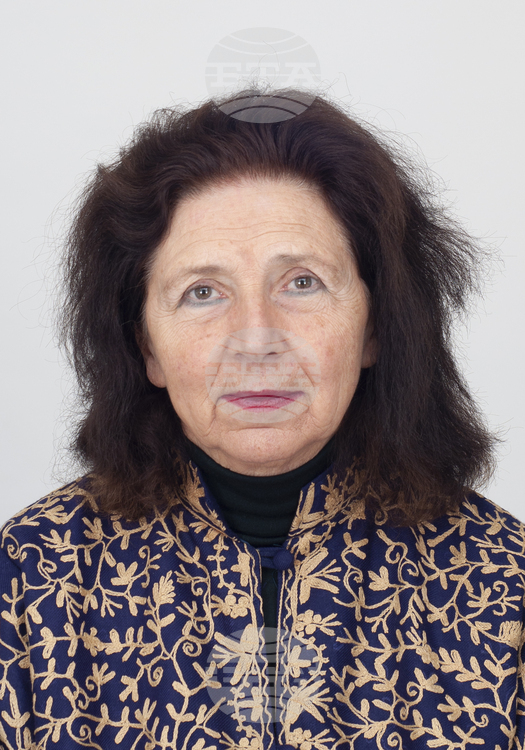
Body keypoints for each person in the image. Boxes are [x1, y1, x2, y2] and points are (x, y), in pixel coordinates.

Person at [1, 88, 523, 750]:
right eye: (202, 292)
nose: (255, 338)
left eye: (301, 282)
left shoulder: (503, 579)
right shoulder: (32, 577)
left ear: (375, 327)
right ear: (146, 348)